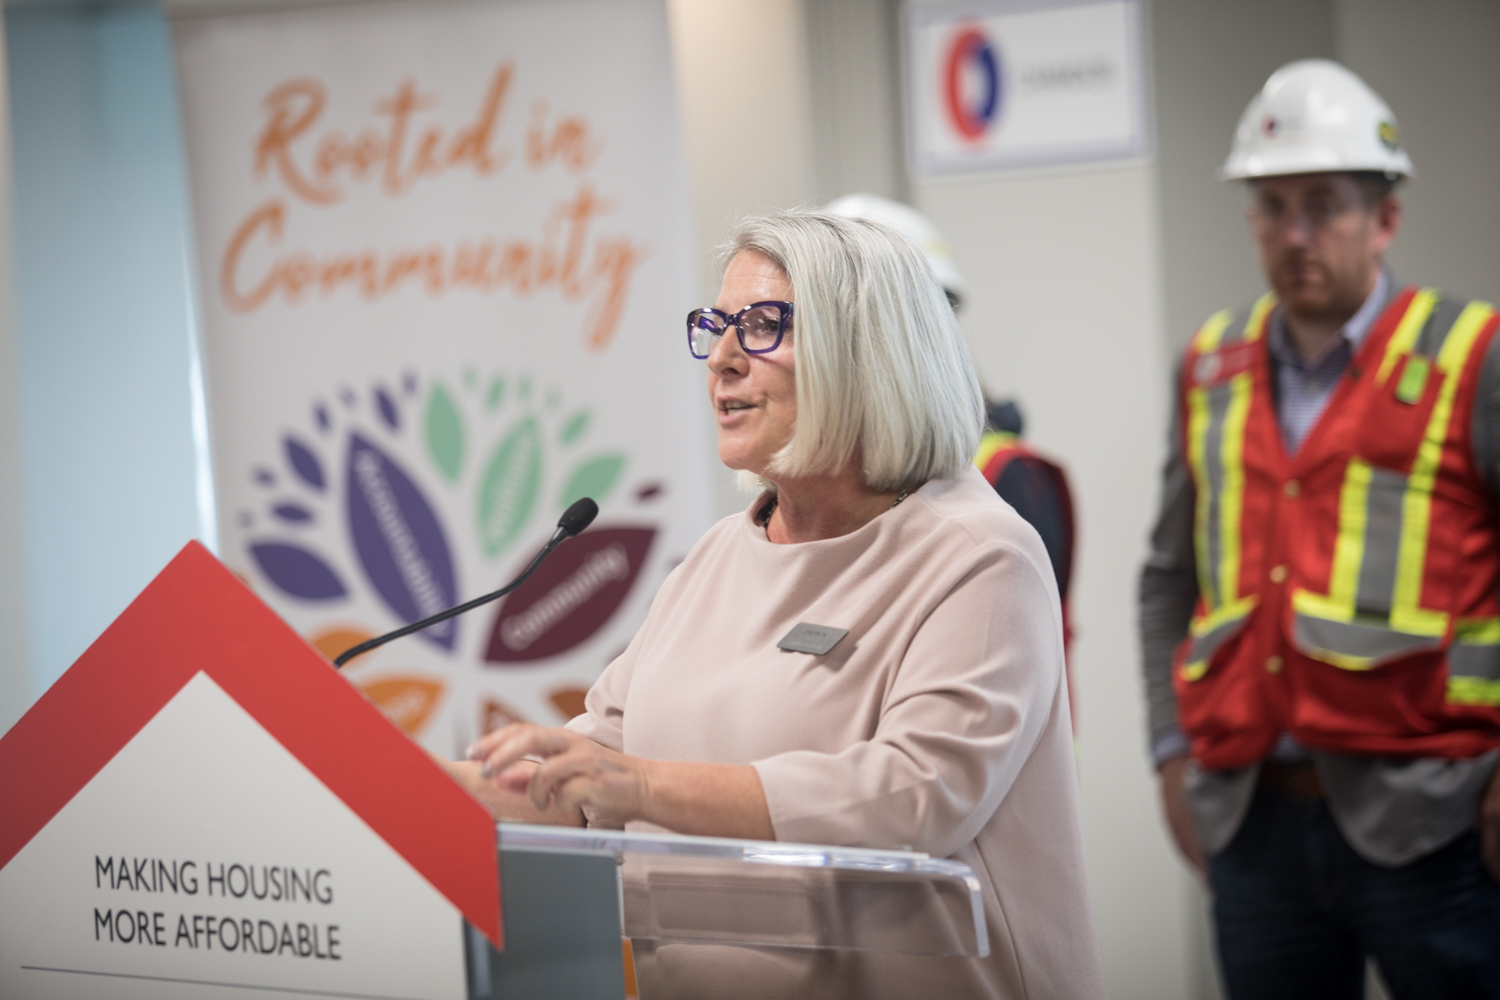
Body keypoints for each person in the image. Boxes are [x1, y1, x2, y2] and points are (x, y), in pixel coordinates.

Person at [450, 210, 1107, 998]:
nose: (722, 358)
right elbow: (589, 774)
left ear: (867, 354)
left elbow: (915, 795)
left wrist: (642, 787)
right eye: (716, 326)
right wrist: (385, 791)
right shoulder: (715, 558)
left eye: (762, 326)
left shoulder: (980, 555)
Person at [1140, 59, 1500, 998]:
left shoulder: (1475, 356)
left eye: (1324, 207)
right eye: (1272, 208)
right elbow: (1168, 578)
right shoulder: (1208, 366)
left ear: (1385, 219)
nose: (1294, 234)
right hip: (1250, 817)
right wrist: (1169, 753)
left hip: (1436, 817)